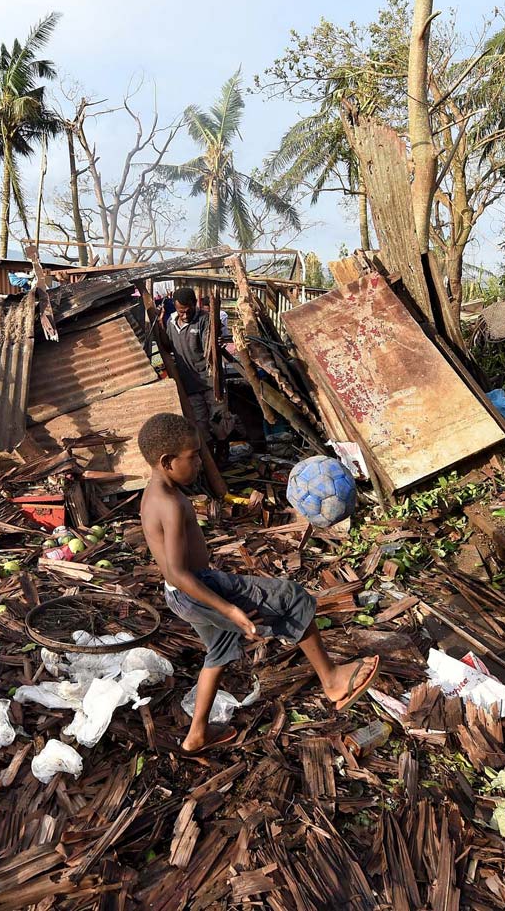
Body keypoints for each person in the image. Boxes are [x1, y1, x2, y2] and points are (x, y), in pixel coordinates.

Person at [138, 412, 381, 754]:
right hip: (198, 588)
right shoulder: (171, 504)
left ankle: (196, 735)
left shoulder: (153, 494)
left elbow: (174, 575)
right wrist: (230, 609)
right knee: (293, 598)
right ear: (167, 461)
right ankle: (332, 680)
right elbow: (179, 571)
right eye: (192, 458)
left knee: (219, 651)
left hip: (179, 596)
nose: (198, 464)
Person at [164, 287, 226, 450]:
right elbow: (167, 346)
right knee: (199, 424)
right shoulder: (171, 323)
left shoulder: (204, 320)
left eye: (187, 311)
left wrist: (216, 343)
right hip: (189, 385)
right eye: (180, 311)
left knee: (218, 420)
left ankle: (222, 453)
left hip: (210, 383)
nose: (184, 315)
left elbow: (209, 343)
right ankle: (208, 458)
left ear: (194, 304)